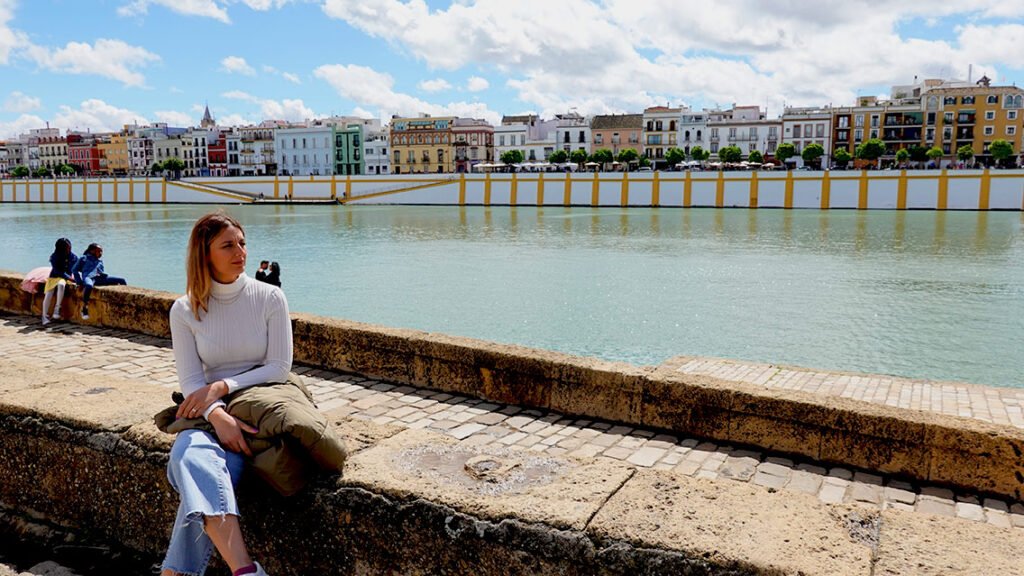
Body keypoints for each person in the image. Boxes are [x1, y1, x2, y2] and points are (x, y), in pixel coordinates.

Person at [161, 212, 289, 576]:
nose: (241, 253)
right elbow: (189, 379)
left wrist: (220, 387)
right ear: (205, 254)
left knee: (190, 471)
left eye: (243, 243)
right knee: (191, 459)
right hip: (212, 416)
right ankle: (246, 571)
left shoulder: (270, 297)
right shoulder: (184, 309)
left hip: (259, 411)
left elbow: (280, 367)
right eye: (228, 245)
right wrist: (218, 415)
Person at [72, 243, 127, 320]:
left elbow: (101, 271)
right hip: (89, 278)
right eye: (98, 251)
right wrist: (79, 282)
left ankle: (123, 304)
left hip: (100, 278)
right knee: (89, 286)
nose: (100, 253)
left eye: (101, 251)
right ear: (92, 251)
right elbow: (74, 270)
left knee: (122, 280)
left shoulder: (100, 261)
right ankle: (85, 307)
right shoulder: (83, 258)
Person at [41, 238, 78, 326]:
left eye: (70, 247)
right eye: (67, 247)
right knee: (49, 292)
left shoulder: (73, 257)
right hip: (54, 277)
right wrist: (70, 278)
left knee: (61, 285)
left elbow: (78, 267)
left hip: (65, 279)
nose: (69, 249)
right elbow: (57, 271)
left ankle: (57, 308)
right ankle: (44, 316)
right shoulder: (55, 256)